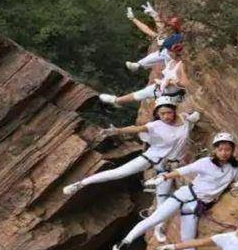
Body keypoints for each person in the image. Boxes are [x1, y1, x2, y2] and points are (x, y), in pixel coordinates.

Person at [63, 97, 198, 242]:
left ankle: (158, 228)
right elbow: (137, 129)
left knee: (162, 199)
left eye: (168, 112)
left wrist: (194, 116)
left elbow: (195, 117)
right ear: (157, 114)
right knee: (119, 172)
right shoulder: (156, 125)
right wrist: (117, 131)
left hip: (168, 167)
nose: (165, 116)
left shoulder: (185, 120)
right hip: (151, 156)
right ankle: (80, 184)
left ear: (174, 111)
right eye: (162, 114)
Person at [111, 132, 238, 250]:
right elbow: (183, 170)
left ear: (233, 150)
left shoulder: (235, 168)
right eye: (220, 149)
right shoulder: (206, 162)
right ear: (215, 150)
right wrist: (163, 177)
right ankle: (125, 242)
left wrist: (236, 185)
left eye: (227, 149)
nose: (224, 153)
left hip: (198, 205)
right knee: (156, 218)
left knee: (188, 237)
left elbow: (234, 182)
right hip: (185, 194)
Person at [100, 42, 188, 108]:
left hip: (171, 94)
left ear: (175, 53)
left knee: (144, 95)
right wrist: (163, 82)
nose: (167, 53)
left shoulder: (181, 65)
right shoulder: (171, 61)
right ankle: (117, 100)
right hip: (162, 88)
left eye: (169, 51)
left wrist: (169, 82)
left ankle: (117, 101)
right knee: (140, 94)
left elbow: (185, 83)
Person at [124, 2, 184, 71]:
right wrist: (133, 19)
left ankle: (139, 65)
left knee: (170, 71)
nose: (170, 23)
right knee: (155, 56)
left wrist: (154, 15)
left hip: (172, 58)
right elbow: (149, 31)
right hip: (165, 53)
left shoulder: (179, 36)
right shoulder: (172, 34)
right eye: (171, 22)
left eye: (173, 22)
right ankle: (138, 65)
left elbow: (159, 31)